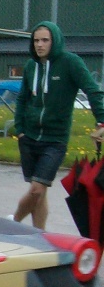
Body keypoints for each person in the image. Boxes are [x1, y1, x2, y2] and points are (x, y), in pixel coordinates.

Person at [12, 21, 104, 229]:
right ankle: (39, 236)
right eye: (36, 40)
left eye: (45, 40)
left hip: (55, 139)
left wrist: (102, 121)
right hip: (29, 138)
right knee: (40, 191)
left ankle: (14, 222)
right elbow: (22, 99)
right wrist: (21, 130)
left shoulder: (70, 62)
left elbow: (93, 90)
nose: (40, 45)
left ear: (55, 40)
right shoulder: (30, 66)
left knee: (37, 189)